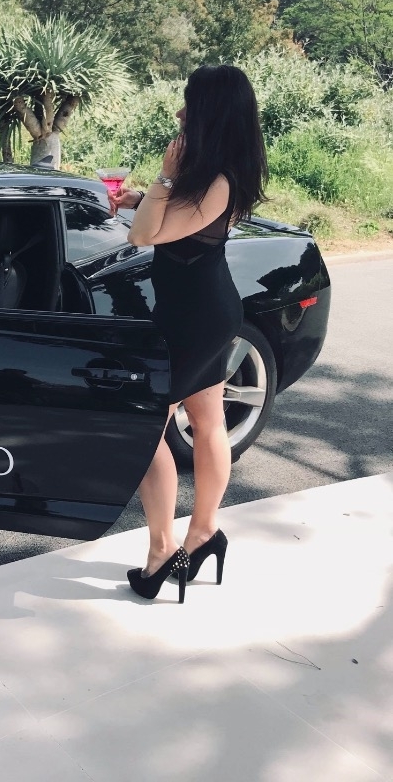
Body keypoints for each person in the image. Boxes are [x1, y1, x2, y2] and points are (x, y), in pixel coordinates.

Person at [110, 65, 268, 603]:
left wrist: (163, 178)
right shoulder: (215, 174)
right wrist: (145, 196)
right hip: (202, 311)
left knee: (145, 428)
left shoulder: (216, 180)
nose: (180, 112)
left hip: (194, 319)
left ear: (211, 113)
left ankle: (162, 552)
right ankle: (203, 534)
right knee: (207, 419)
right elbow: (173, 223)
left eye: (189, 103)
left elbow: (143, 237)